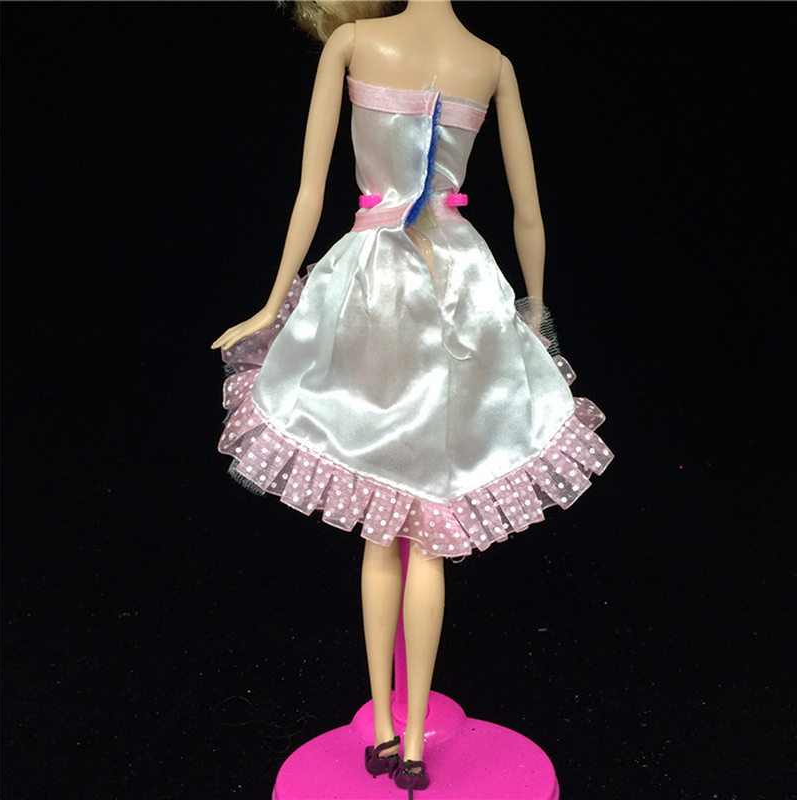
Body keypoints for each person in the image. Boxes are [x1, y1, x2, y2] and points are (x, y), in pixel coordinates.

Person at [211, 2, 612, 794]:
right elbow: (529, 215)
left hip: (373, 284)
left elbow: (310, 189)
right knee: (426, 522)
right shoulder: (490, 62)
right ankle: (413, 741)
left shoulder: (357, 42)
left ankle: (390, 729)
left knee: (383, 525)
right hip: (462, 284)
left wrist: (270, 303)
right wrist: (533, 310)